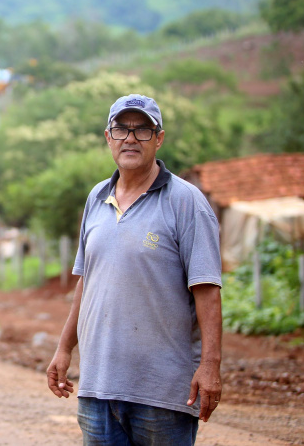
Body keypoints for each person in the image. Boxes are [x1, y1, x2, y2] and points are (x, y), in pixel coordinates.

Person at [46, 94, 223, 445]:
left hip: (162, 394)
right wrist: (64, 348)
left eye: (142, 130)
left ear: (159, 139)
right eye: (121, 129)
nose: (130, 138)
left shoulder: (185, 201)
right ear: (108, 137)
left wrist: (210, 366)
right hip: (98, 386)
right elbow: (87, 280)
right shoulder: (97, 197)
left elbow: (208, 289)